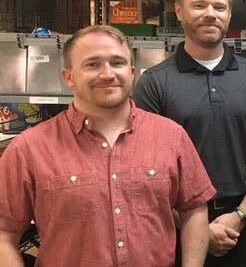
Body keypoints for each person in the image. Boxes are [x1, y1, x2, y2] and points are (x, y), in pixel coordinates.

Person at [0, 25, 216, 266]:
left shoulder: (170, 136)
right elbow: (4, 235)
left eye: (117, 62)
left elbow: (194, 210)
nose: (107, 74)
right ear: (68, 77)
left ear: (132, 72)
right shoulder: (29, 149)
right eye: (92, 64)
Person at [132, 0, 246, 266]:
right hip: (177, 222)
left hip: (243, 220)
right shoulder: (154, 83)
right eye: (199, 5)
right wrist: (195, 225)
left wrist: (241, 215)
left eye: (219, 6)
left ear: (229, 13)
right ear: (178, 10)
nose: (210, 14)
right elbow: (142, 168)